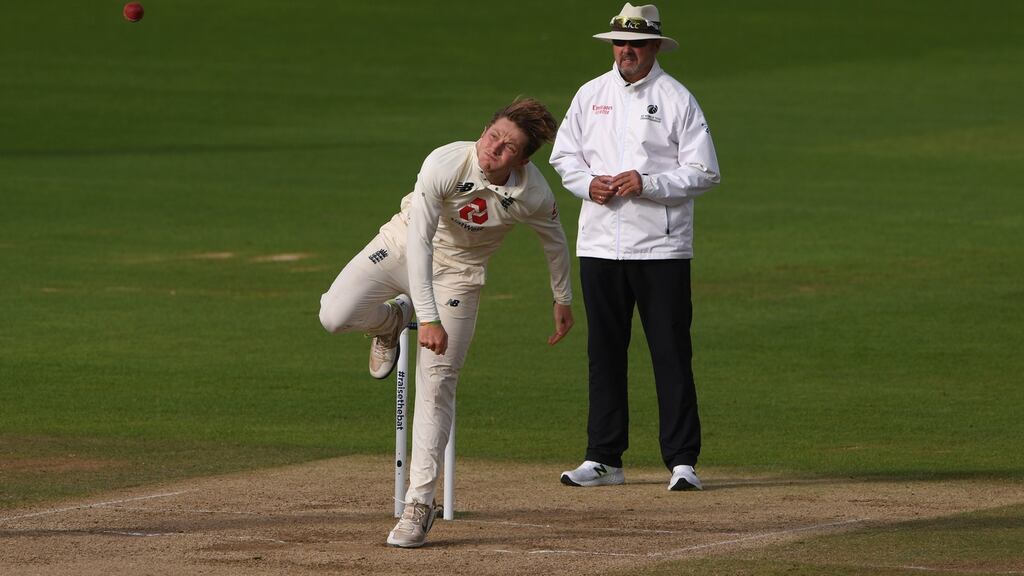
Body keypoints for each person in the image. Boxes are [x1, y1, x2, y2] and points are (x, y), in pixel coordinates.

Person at [319, 97, 574, 548]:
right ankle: (390, 323)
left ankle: (420, 504)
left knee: (437, 384)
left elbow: (554, 241)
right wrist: (426, 316)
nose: (493, 148)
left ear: (523, 158)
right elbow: (419, 244)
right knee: (335, 315)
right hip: (404, 244)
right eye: (493, 135)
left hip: (460, 274)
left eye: (508, 147)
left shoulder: (534, 194)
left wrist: (562, 298)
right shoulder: (445, 161)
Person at [550, 3, 720, 492]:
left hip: (660, 248)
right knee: (604, 352)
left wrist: (645, 182)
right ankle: (604, 459)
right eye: (620, 43)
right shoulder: (591, 93)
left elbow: (704, 172)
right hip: (600, 244)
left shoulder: (676, 98)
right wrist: (589, 185)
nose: (626, 52)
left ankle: (682, 461)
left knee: (670, 352)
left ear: (655, 48)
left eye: (637, 44)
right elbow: (565, 156)